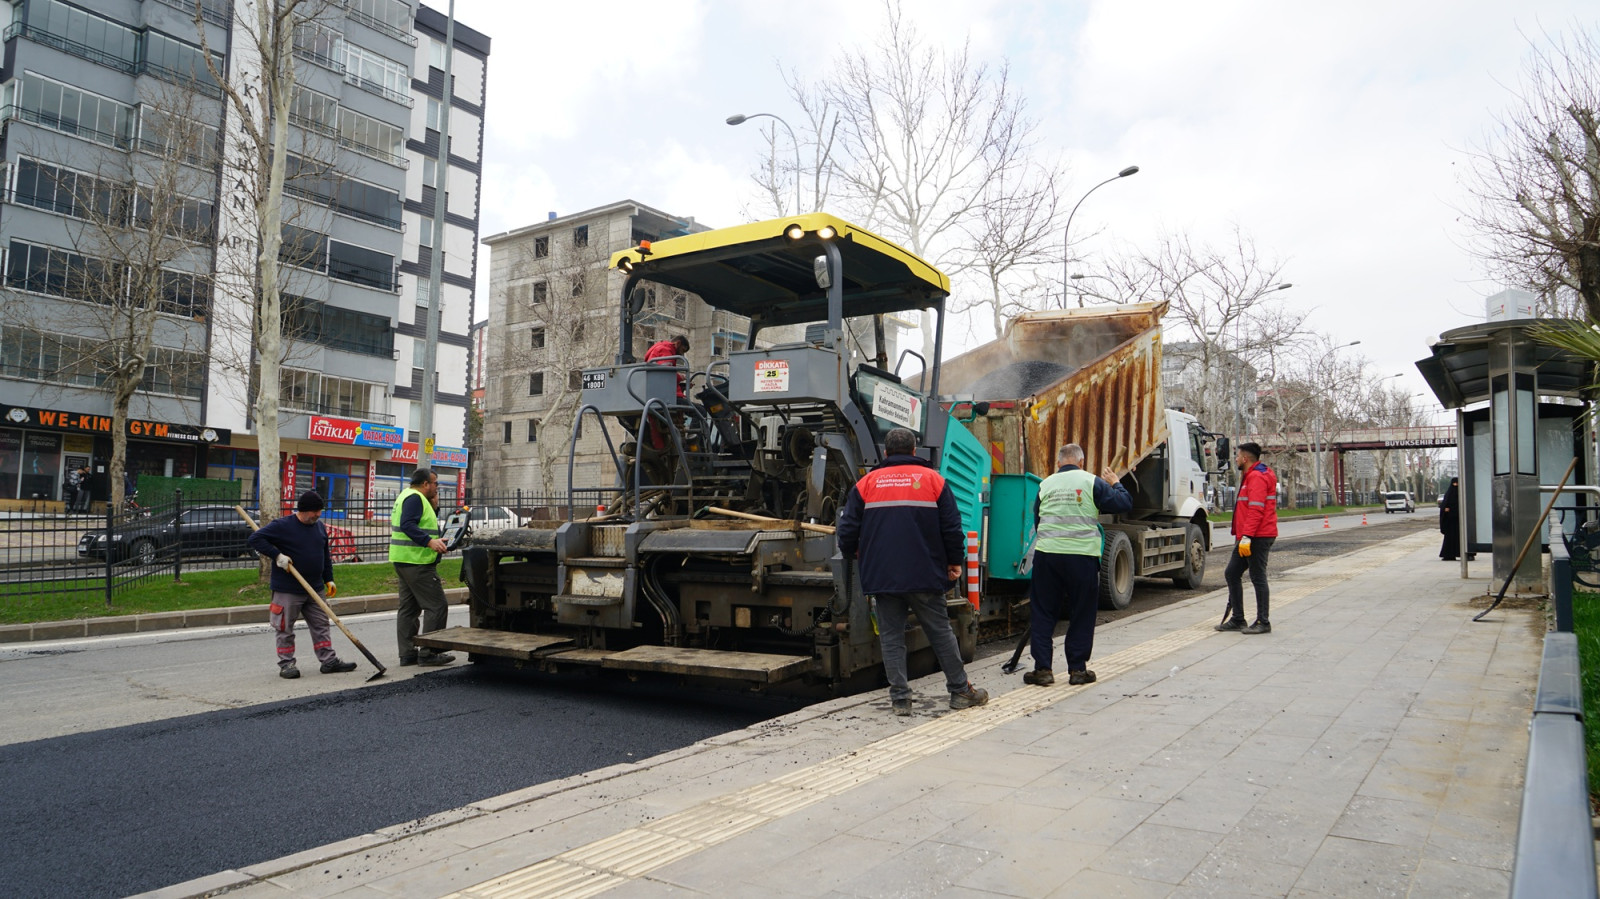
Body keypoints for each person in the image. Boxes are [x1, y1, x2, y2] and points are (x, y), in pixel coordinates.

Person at [836, 427, 988, 716]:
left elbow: (847, 530)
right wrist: (955, 561)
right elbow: (952, 528)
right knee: (940, 632)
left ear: (885, 452)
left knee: (891, 637)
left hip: (882, 576)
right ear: (915, 451)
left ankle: (900, 700)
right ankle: (960, 691)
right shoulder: (934, 481)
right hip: (925, 574)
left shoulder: (867, 483)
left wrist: (853, 554)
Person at [1024, 443, 1134, 687]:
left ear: (1058, 463)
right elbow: (1124, 503)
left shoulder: (1045, 484)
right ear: (1081, 462)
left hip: (1048, 556)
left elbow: (1038, 520)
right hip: (1082, 558)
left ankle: (1043, 669)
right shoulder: (1091, 482)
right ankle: (1077, 670)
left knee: (1043, 612)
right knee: (1081, 612)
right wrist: (1115, 482)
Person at [247, 491, 357, 679]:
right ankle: (287, 664)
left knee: (321, 624)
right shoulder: (282, 526)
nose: (318, 515)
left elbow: (325, 556)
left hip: (315, 587)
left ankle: (328, 661)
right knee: (284, 627)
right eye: (315, 511)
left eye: (319, 511)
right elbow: (255, 539)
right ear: (303, 510)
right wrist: (278, 556)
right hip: (288, 589)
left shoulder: (319, 528)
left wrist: (328, 578)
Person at [391, 467, 455, 666]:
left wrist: (435, 538)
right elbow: (408, 524)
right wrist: (430, 542)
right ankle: (429, 652)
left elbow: (415, 524)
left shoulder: (406, 495)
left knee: (409, 609)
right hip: (417, 562)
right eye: (435, 483)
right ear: (425, 484)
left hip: (403, 559)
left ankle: (408, 653)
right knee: (437, 606)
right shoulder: (415, 498)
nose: (438, 487)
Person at [1219, 442, 1278, 634]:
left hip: (1257, 536)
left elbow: (1256, 510)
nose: (1235, 459)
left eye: (1237, 456)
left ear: (1245, 459)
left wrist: (1246, 537)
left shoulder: (1257, 477)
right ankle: (1238, 619)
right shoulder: (1251, 475)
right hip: (1251, 535)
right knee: (1232, 573)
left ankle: (1263, 622)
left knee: (1257, 576)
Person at [642, 335, 690, 451]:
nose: (681, 355)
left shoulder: (658, 347)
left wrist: (679, 379)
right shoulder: (666, 350)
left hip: (657, 394)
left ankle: (662, 447)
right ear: (677, 344)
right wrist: (680, 377)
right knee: (701, 411)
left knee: (655, 427)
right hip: (667, 396)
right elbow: (666, 373)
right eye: (682, 350)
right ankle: (694, 444)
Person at [1439, 477, 1461, 561]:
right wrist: (1445, 509)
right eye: (1454, 483)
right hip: (1451, 521)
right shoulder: (1449, 494)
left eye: (1457, 483)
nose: (1455, 485)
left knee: (1461, 537)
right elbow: (1444, 505)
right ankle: (1449, 555)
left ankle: (1465, 553)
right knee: (1450, 538)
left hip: (1460, 521)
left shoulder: (1462, 493)